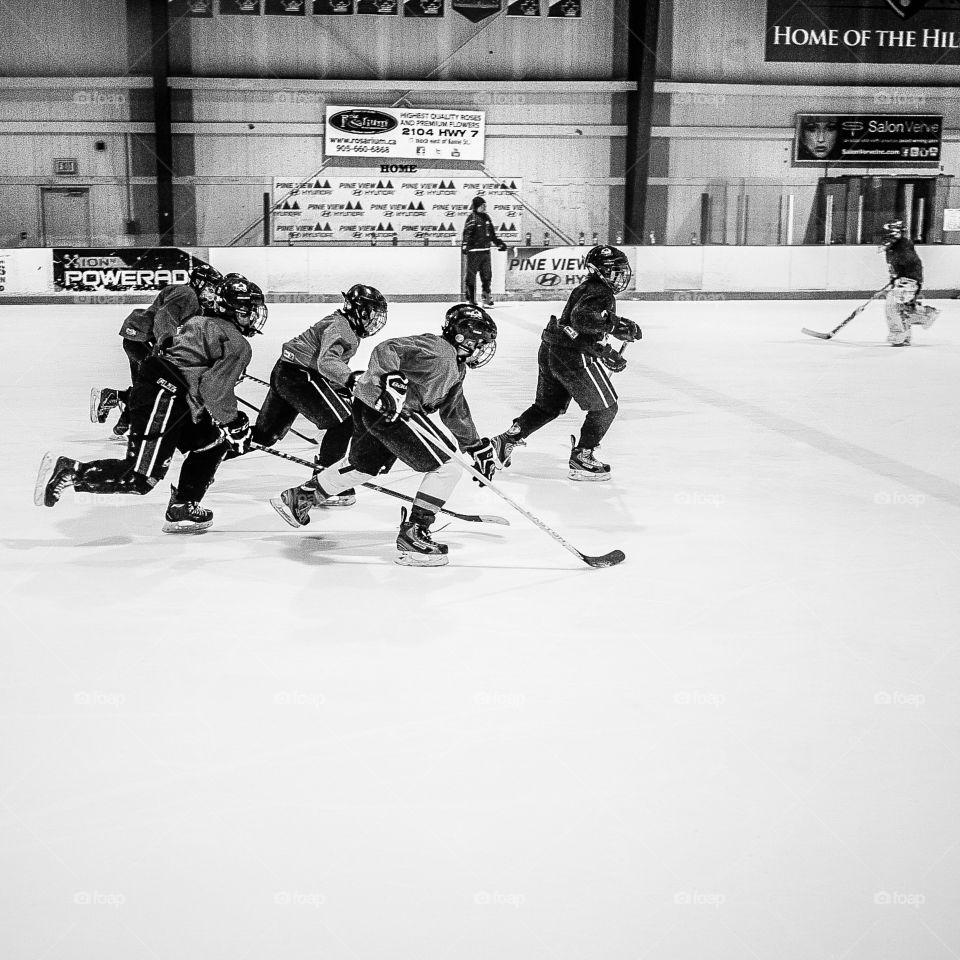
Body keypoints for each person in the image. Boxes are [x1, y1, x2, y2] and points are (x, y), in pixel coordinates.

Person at [270, 303, 499, 567]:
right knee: (447, 467)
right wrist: (389, 380)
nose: (482, 349)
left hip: (370, 406)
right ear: (463, 337)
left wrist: (476, 446)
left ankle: (301, 498)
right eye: (480, 343)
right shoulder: (438, 349)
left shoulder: (457, 367)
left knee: (362, 467)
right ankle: (415, 533)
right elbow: (387, 348)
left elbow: (454, 409)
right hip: (387, 410)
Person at [35, 276, 266, 533]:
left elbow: (195, 374)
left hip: (169, 390)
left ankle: (182, 506)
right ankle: (70, 471)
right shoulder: (237, 344)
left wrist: (226, 423)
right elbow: (214, 390)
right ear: (236, 310)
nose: (253, 317)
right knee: (140, 479)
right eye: (250, 311)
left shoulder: (199, 321)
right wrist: (235, 424)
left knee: (212, 444)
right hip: (165, 395)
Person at [491, 244, 640, 481]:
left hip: (552, 349)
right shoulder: (601, 292)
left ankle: (506, 440)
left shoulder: (586, 287)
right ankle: (582, 457)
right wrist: (615, 325)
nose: (621, 276)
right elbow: (582, 319)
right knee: (606, 408)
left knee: (547, 407)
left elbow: (574, 329)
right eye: (616, 270)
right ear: (602, 270)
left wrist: (605, 351)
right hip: (571, 357)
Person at [249, 284, 388, 507]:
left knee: (263, 436)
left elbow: (327, 365)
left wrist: (341, 385)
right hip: (301, 377)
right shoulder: (341, 329)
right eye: (370, 314)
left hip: (286, 372)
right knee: (344, 422)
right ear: (358, 310)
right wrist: (350, 379)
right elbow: (327, 362)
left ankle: (210, 450)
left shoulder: (343, 325)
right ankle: (324, 483)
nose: (373, 322)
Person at [90, 262, 223, 438]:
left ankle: (120, 418)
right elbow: (164, 317)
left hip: (139, 339)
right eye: (210, 289)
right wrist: (166, 343)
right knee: (158, 386)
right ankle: (117, 404)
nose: (212, 294)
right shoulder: (187, 293)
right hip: (143, 338)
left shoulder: (196, 302)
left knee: (146, 389)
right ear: (199, 283)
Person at [880, 220, 938, 347]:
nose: (885, 236)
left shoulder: (903, 245)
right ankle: (909, 331)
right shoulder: (892, 248)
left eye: (889, 233)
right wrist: (894, 279)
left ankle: (900, 334)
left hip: (910, 280)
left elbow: (909, 263)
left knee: (892, 304)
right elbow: (895, 267)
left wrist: (901, 278)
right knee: (902, 308)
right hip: (905, 280)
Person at [462, 196, 507, 307]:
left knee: (487, 276)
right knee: (471, 277)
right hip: (474, 252)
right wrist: (465, 245)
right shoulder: (472, 218)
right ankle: (470, 299)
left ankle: (486, 299)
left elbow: (492, 234)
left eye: (485, 205)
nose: (484, 207)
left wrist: (499, 243)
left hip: (485, 251)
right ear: (477, 206)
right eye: (482, 205)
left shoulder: (487, 218)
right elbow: (466, 233)